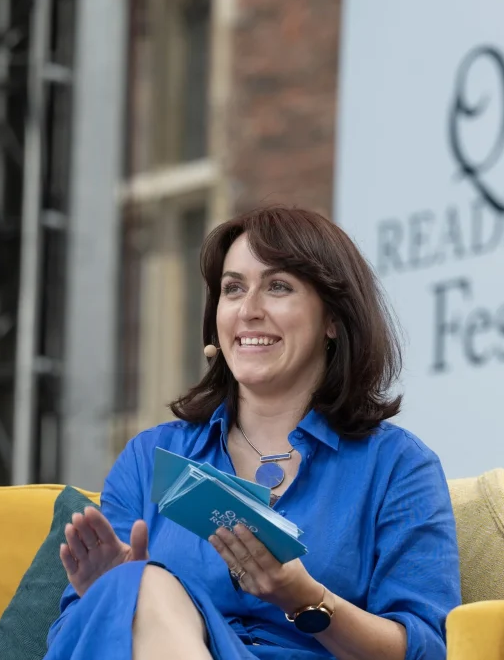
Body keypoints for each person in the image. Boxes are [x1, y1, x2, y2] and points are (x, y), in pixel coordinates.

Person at [44, 206, 462, 660]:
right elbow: (67, 635)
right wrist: (108, 596)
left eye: (278, 287)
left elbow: (426, 650)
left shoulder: (399, 468)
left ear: (333, 320)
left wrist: (304, 598)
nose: (248, 310)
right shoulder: (150, 456)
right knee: (142, 582)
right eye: (233, 289)